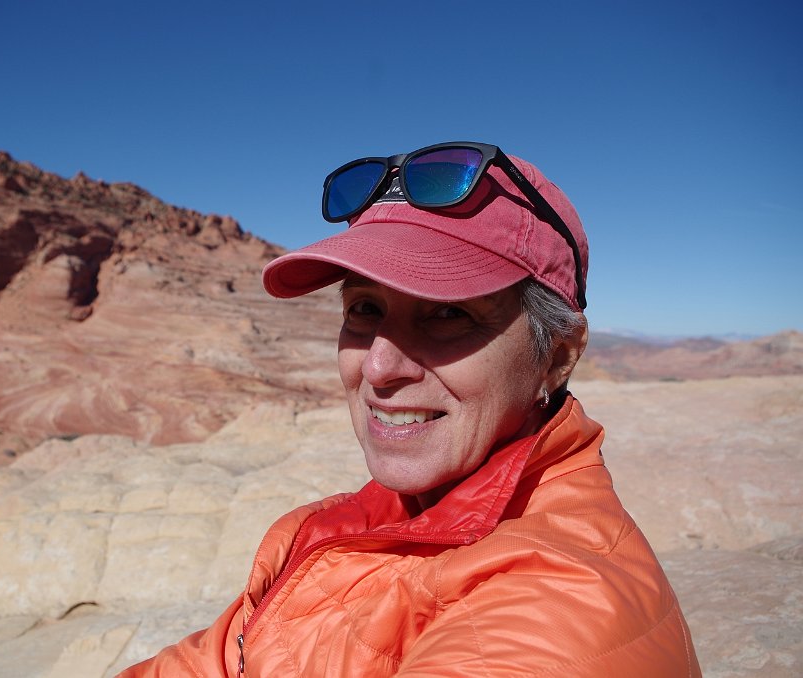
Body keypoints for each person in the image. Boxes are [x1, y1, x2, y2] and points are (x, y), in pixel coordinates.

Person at [119, 141, 701, 676]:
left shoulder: (557, 601)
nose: (377, 367)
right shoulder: (365, 521)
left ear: (557, 357)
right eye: (365, 309)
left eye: (448, 314)